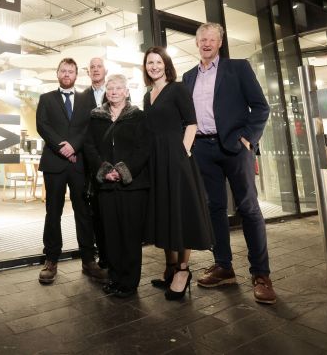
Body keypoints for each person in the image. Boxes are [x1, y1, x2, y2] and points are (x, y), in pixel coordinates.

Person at [181, 22, 274, 304]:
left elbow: (260, 106)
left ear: (220, 43)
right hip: (203, 149)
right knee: (214, 208)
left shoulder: (238, 68)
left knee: (248, 207)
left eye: (212, 39)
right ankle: (224, 266)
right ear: (197, 43)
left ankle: (261, 274)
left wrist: (249, 138)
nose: (207, 43)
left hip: (235, 147)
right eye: (202, 39)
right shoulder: (187, 77)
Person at [143, 47, 214, 301]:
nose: (154, 66)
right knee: (166, 212)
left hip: (177, 159)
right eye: (150, 62)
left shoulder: (178, 88)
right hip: (157, 162)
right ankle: (170, 267)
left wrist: (182, 153)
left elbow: (191, 123)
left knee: (182, 213)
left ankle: (183, 270)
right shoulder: (147, 95)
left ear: (166, 64)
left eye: (158, 62)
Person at [36, 58, 106, 284]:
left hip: (78, 163)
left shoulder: (86, 99)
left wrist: (74, 146)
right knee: (53, 212)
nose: (67, 74)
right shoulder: (46, 98)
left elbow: (89, 126)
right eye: (63, 70)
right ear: (57, 73)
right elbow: (42, 125)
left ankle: (88, 260)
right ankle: (51, 260)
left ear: (77, 75)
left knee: (83, 212)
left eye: (71, 71)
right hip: (54, 164)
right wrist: (62, 148)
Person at [83, 74, 151, 298]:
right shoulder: (96, 117)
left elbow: (143, 148)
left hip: (133, 186)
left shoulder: (138, 116)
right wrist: (103, 170)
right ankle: (115, 277)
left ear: (127, 91)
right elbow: (89, 146)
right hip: (105, 186)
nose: (113, 91)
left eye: (118, 88)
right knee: (110, 234)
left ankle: (129, 282)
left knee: (130, 235)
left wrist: (122, 171)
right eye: (110, 88)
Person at [81, 57, 109, 270]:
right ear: (88, 72)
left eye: (99, 66)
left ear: (105, 70)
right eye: (92, 67)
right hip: (89, 162)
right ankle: (98, 257)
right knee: (93, 213)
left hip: (112, 160)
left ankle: (112, 254)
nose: (96, 70)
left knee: (109, 211)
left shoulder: (116, 92)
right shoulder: (81, 98)